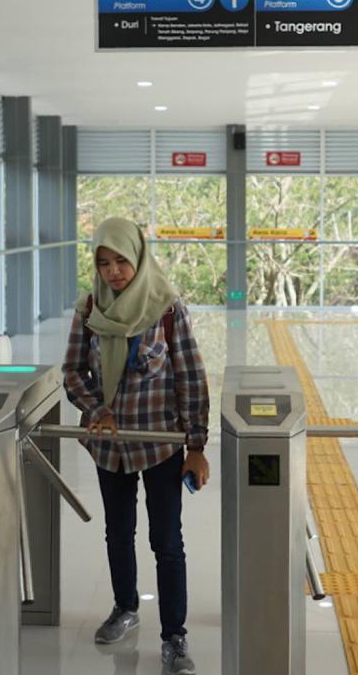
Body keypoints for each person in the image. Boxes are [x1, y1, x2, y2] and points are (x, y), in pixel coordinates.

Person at [62, 217, 210, 675]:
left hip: (160, 443)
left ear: (139, 258)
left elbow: (190, 375)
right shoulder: (89, 309)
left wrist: (196, 444)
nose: (113, 272)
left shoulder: (166, 307)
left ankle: (174, 637)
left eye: (122, 261)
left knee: (166, 540)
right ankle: (125, 607)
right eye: (103, 263)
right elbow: (72, 372)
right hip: (110, 446)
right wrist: (96, 408)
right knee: (118, 531)